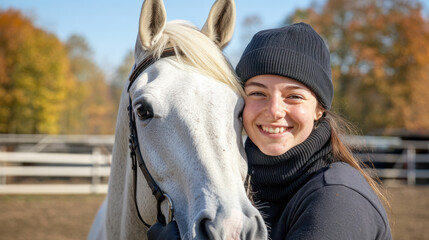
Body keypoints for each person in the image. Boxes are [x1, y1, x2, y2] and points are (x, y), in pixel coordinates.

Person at [235, 22, 392, 239]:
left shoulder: (337, 197)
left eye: (294, 96)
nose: (274, 111)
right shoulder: (233, 185)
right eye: (257, 93)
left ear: (319, 109)